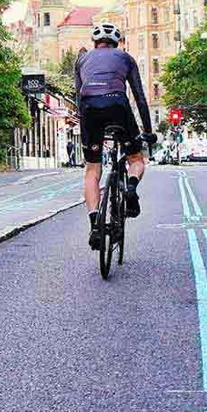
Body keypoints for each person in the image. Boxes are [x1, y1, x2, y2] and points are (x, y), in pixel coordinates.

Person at [75, 22, 156, 249]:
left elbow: (78, 97)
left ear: (95, 42)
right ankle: (130, 188)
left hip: (90, 109)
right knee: (135, 159)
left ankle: (95, 226)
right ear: (117, 42)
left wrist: (87, 129)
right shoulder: (126, 58)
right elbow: (139, 97)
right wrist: (148, 132)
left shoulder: (82, 60)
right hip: (118, 105)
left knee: (92, 170)